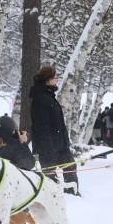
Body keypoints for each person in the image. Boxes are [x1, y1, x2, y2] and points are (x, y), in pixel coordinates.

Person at [29, 65, 79, 195]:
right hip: (49, 147)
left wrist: (64, 141)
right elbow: (41, 127)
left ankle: (72, 193)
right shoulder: (41, 99)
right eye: (54, 77)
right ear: (48, 80)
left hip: (60, 144)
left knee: (70, 167)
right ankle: (52, 197)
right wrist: (48, 148)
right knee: (50, 175)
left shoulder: (49, 96)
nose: (56, 80)